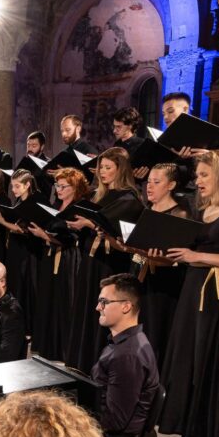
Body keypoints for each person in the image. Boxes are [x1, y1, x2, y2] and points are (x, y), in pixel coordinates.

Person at [157, 151, 219, 437]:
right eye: (197, 175)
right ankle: (178, 418)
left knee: (206, 353)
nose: (197, 181)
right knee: (185, 351)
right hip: (192, 285)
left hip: (217, 292)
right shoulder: (204, 207)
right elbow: (190, 249)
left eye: (203, 175)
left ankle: (202, 425)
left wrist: (195, 255)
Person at [64, 148, 141, 371]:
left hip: (110, 262)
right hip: (92, 258)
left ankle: (101, 363)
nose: (102, 172)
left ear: (121, 170)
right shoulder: (99, 195)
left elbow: (119, 230)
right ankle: (82, 361)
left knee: (106, 310)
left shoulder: (129, 197)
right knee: (88, 307)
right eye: (101, 168)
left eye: (108, 168)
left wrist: (89, 223)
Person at [92, 274, 160, 437]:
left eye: (104, 302)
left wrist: (72, 418)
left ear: (126, 306)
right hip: (106, 431)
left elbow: (114, 421)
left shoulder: (128, 355)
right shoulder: (124, 344)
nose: (98, 307)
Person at [28, 167, 87, 362]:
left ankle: (63, 350)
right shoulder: (56, 205)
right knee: (48, 299)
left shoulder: (77, 209)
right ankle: (47, 347)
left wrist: (44, 235)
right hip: (50, 255)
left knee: (63, 300)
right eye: (57, 185)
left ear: (75, 187)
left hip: (68, 258)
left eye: (63, 186)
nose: (58, 190)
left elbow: (73, 237)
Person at [134, 163, 189, 367]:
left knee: (157, 333)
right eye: (148, 181)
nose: (149, 186)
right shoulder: (146, 210)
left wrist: (151, 255)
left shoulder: (179, 214)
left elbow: (177, 257)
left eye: (156, 182)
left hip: (165, 284)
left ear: (171, 185)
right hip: (141, 278)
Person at [0, 169, 38, 325]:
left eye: (17, 186)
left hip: (25, 250)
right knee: (14, 282)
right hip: (15, 248)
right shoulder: (19, 201)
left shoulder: (32, 202)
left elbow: (23, 229)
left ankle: (24, 322)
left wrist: (3, 222)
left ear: (27, 185)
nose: (13, 190)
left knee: (23, 285)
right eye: (12, 186)